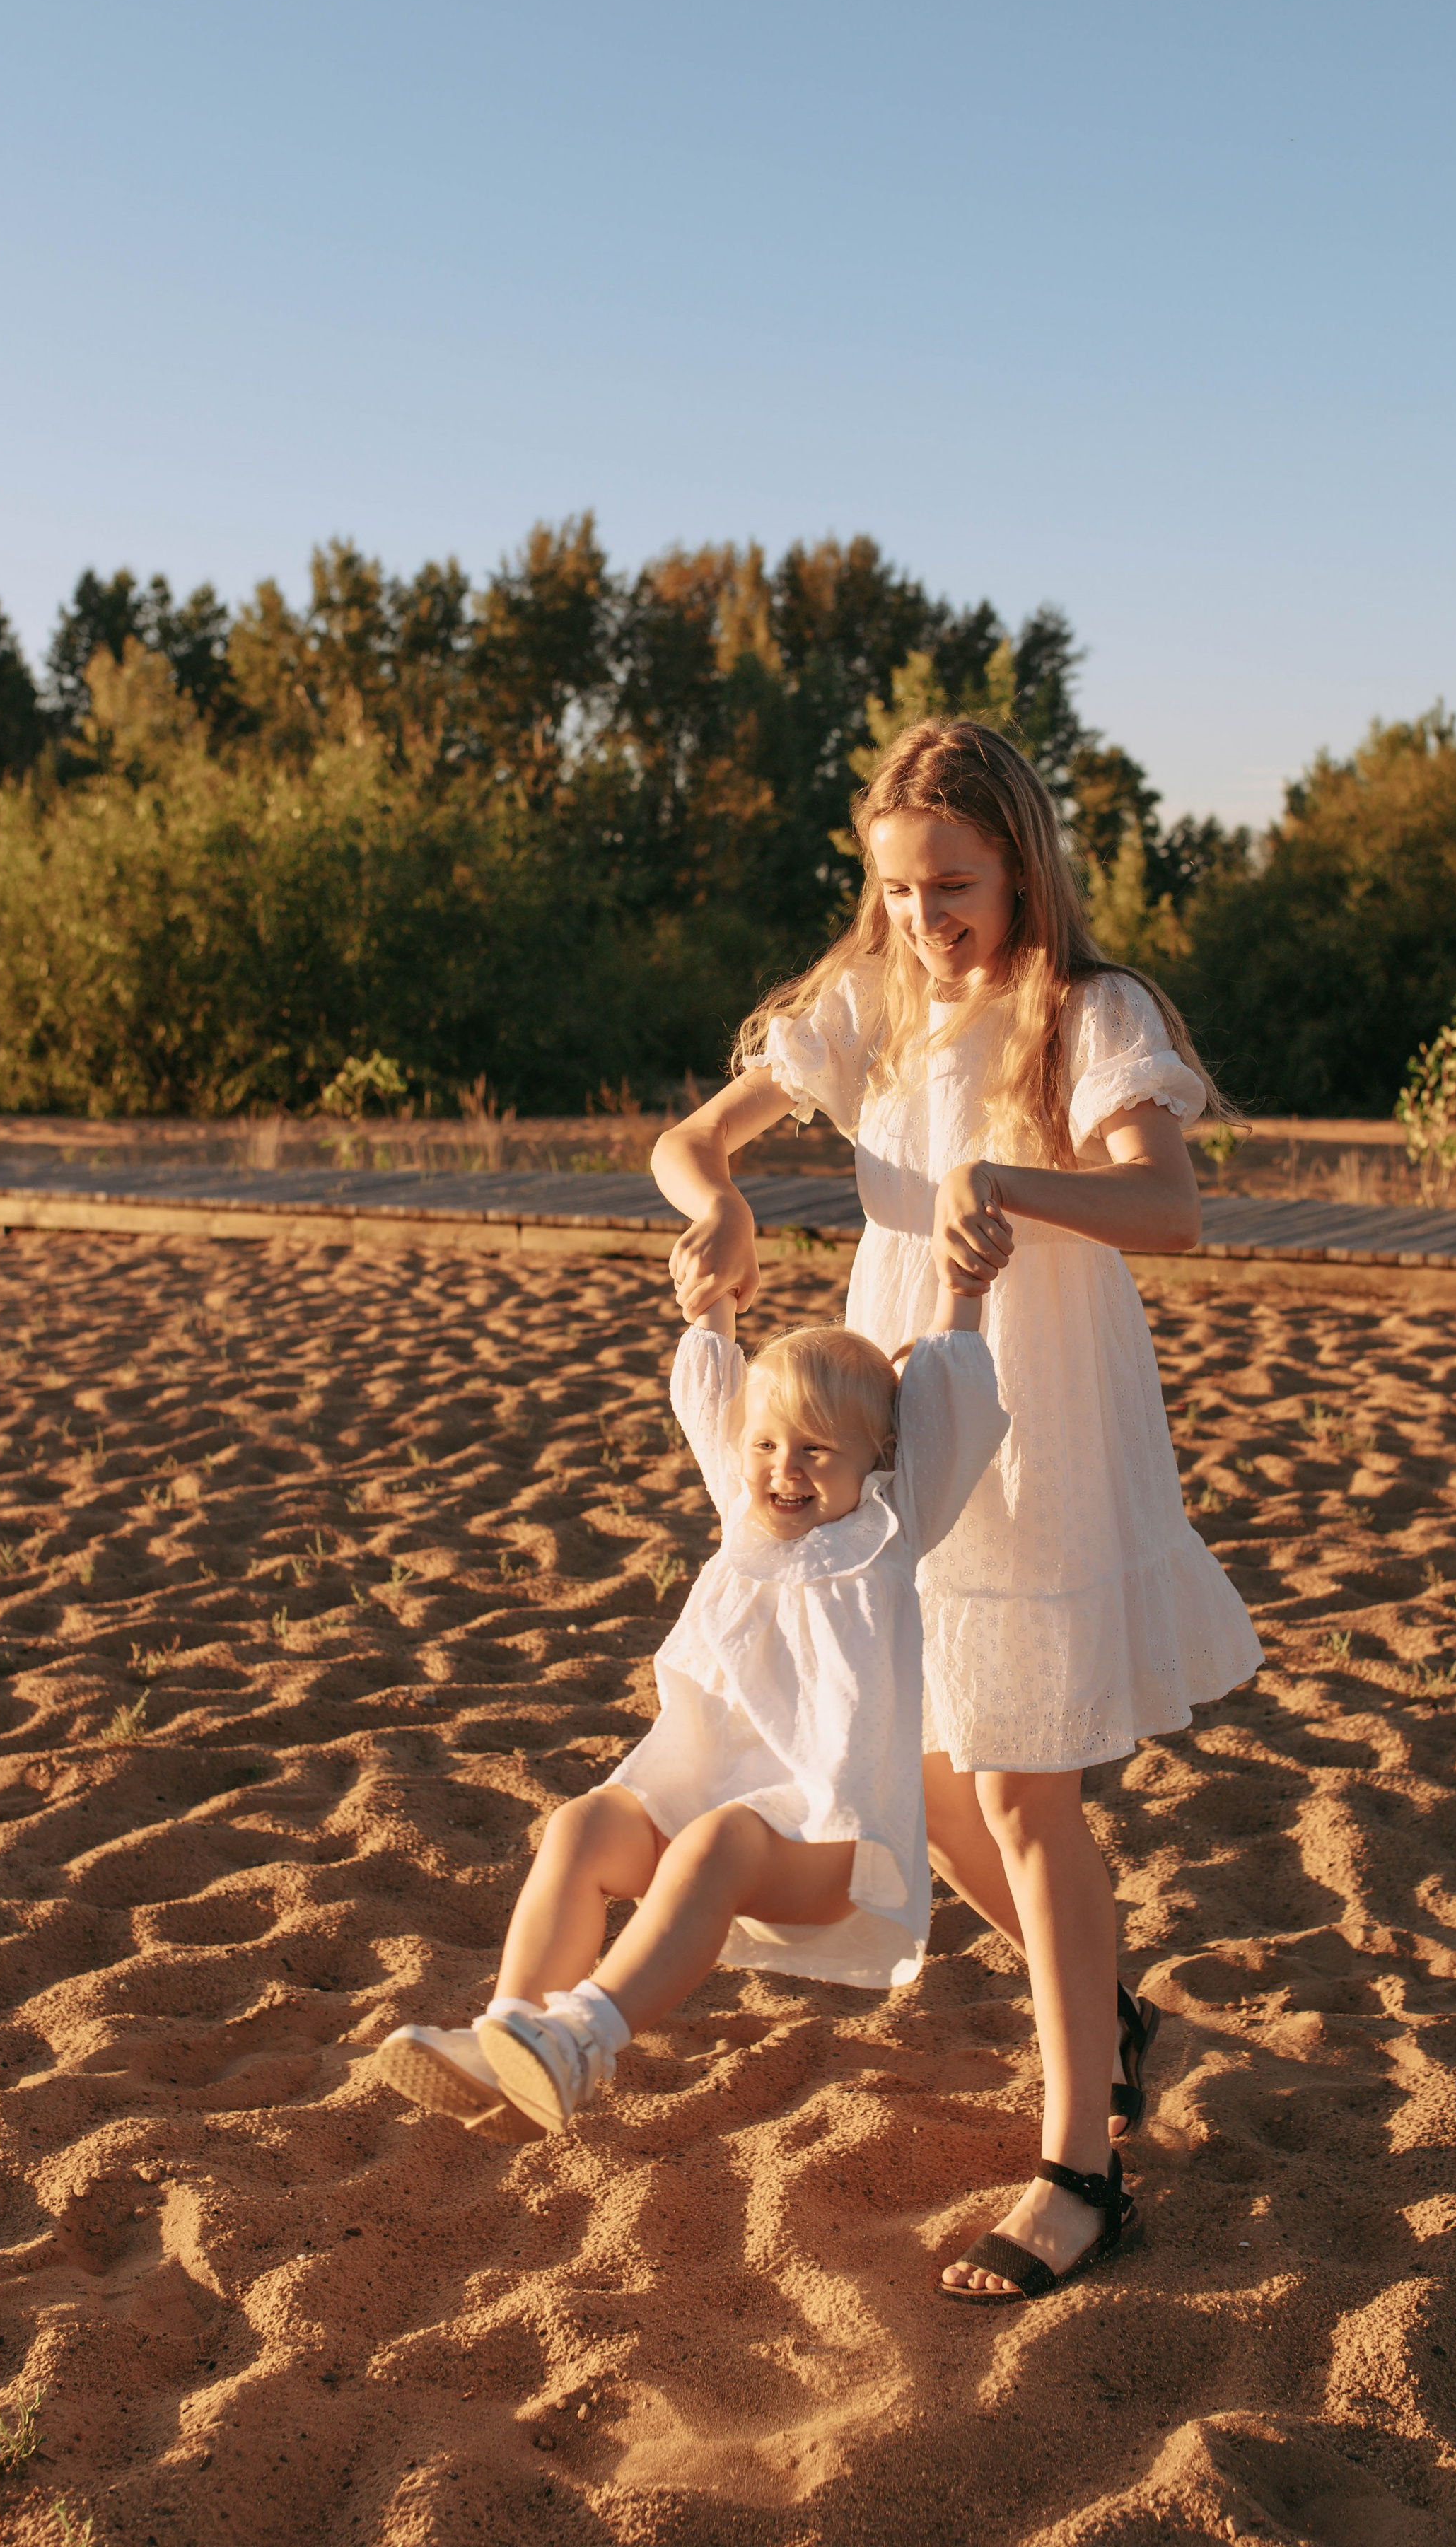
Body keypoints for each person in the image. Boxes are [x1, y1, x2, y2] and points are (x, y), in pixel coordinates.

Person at [652, 717, 1262, 2304]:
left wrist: (1018, 1185)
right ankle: (1107, 2011)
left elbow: (1171, 1212)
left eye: (954, 886)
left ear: (1020, 865)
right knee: (911, 1766)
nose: (928, 919)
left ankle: (1078, 2171)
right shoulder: (867, 1010)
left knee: (1017, 1790)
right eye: (902, 891)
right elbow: (685, 1142)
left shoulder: (1084, 1013)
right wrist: (716, 1202)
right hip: (897, 1408)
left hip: (1042, 1406)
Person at [375, 1274, 1009, 2145]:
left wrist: (962, 1296)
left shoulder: (890, 1533)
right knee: (584, 1826)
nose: (784, 1471)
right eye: (767, 1446)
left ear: (880, 1458)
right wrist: (714, 1303)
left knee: (719, 1841)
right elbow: (710, 1395)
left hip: (827, 1841)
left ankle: (582, 2041)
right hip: (703, 1814)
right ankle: (512, 2036)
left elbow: (954, 1406)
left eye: (818, 1452)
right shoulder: (743, 1519)